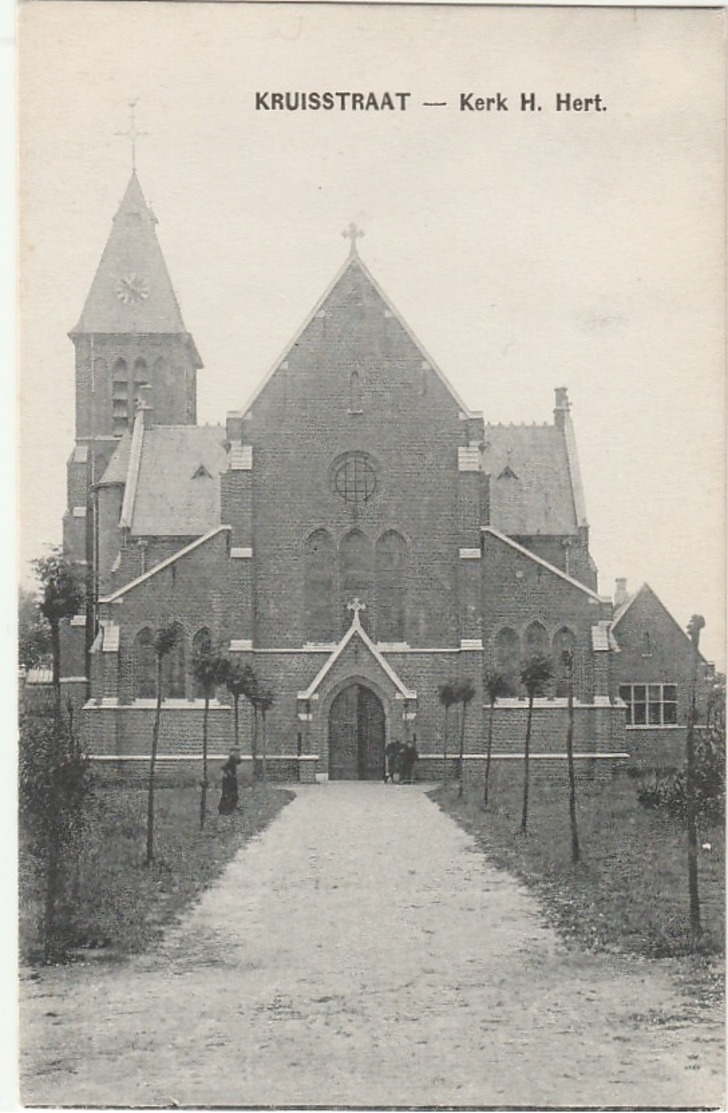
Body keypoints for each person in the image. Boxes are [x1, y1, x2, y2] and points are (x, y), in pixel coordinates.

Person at [218, 749, 242, 814]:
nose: (239, 755)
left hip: (231, 779)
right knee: (227, 794)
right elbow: (224, 767)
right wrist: (230, 774)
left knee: (233, 794)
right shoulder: (231, 760)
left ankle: (231, 808)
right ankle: (225, 809)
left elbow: (239, 761)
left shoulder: (234, 760)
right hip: (228, 780)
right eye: (237, 753)